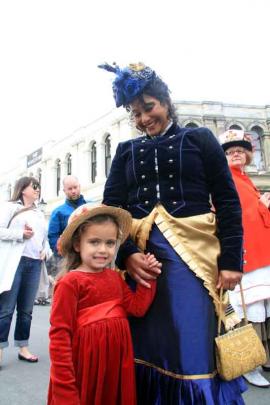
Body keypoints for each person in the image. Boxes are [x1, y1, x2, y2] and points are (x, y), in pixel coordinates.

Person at [99, 62, 247, 404]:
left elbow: (226, 200)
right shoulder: (125, 152)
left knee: (190, 343)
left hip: (195, 263)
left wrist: (231, 260)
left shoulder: (200, 139)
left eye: (148, 107)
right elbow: (111, 211)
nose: (143, 119)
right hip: (142, 265)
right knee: (147, 346)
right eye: (135, 113)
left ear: (166, 101)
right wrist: (127, 255)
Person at [47, 203, 158, 405]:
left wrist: (148, 275)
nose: (103, 250)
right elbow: (59, 337)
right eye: (94, 242)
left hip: (114, 371)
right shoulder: (69, 282)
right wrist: (65, 390)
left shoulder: (115, 278)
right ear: (78, 244)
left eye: (109, 243)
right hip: (85, 371)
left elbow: (137, 307)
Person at [219, 129, 270, 388]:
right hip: (244, 255)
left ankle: (263, 357)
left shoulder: (246, 178)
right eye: (229, 151)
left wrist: (262, 204)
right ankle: (249, 363)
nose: (235, 154)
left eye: (239, 149)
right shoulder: (225, 178)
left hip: (263, 255)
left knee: (261, 308)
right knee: (246, 311)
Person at [0, 176, 47, 365]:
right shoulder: (10, 207)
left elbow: (43, 239)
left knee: (26, 310)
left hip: (35, 263)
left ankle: (23, 347)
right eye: (33, 186)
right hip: (16, 262)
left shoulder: (39, 213)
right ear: (22, 189)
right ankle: (0, 348)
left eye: (38, 186)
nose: (37, 189)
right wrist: (21, 234)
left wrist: (46, 250)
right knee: (6, 309)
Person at [48, 175, 87, 278]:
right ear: (64, 190)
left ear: (79, 186)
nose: (73, 191)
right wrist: (61, 254)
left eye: (75, 187)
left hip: (89, 254)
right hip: (68, 258)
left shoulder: (90, 206)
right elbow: (53, 237)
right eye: (70, 189)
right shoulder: (58, 212)